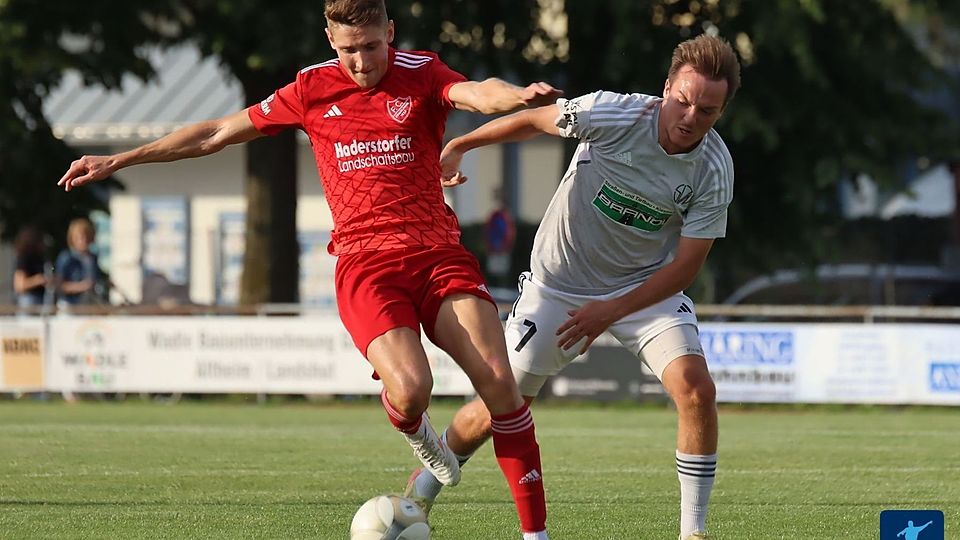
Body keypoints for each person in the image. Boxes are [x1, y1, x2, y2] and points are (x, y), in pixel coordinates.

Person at [57, 1, 559, 538]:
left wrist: (517, 95)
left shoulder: (422, 72)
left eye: (372, 46)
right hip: (367, 265)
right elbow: (215, 133)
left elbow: (477, 93)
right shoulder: (310, 89)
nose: (362, 62)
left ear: (390, 32)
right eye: (349, 50)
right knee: (413, 389)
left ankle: (536, 535)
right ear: (329, 40)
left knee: (500, 385)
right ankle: (415, 428)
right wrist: (120, 159)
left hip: (437, 254)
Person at [406, 34, 740, 540]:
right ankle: (421, 493)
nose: (691, 117)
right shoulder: (614, 115)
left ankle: (693, 533)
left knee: (697, 390)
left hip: (643, 289)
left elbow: (687, 266)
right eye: (683, 100)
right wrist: (461, 145)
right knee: (502, 405)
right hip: (558, 286)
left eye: (708, 111)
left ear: (721, 111)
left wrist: (611, 310)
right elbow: (534, 120)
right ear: (666, 88)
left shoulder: (714, 168)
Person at [54, 217, 105, 307]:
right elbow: (59, 285)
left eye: (87, 236)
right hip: (70, 304)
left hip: (88, 304)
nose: (84, 240)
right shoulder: (66, 258)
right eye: (80, 237)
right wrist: (81, 286)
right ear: (72, 238)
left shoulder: (92, 258)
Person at [12, 225, 50, 312]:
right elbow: (19, 286)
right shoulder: (24, 258)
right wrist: (38, 280)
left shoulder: (41, 258)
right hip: (29, 300)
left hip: (42, 299)